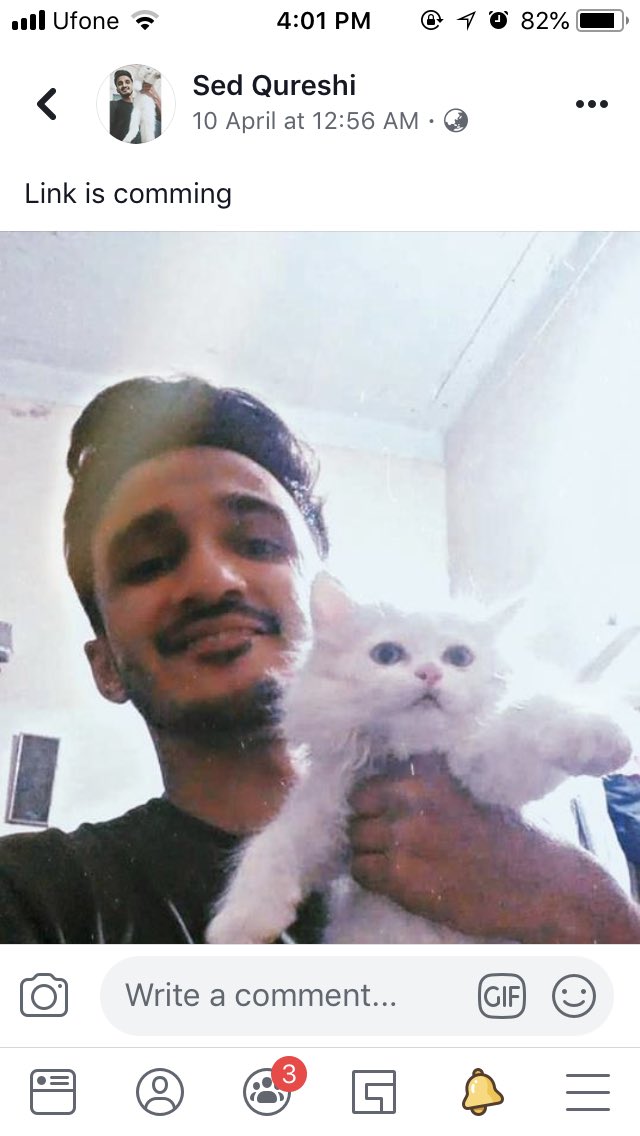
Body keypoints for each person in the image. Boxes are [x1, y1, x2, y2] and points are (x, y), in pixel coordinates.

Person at [0, 377, 639, 944]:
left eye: (258, 544)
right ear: (106, 666)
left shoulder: (557, 828)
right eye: (150, 564)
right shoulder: (32, 898)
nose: (214, 580)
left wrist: (582, 910)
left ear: (326, 614)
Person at [109, 69, 156, 144]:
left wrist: (154, 95)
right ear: (117, 89)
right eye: (120, 84)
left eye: (127, 82)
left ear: (132, 85)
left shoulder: (143, 102)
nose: (124, 85)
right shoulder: (112, 105)